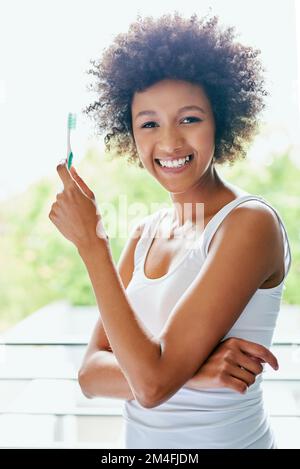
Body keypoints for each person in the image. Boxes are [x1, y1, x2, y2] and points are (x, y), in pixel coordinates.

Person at [49, 13, 292, 449]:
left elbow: (152, 387)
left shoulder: (249, 224)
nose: (170, 143)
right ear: (131, 134)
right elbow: (88, 376)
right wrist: (197, 370)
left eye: (190, 119)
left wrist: (92, 244)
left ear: (221, 118)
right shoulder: (144, 233)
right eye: (149, 123)